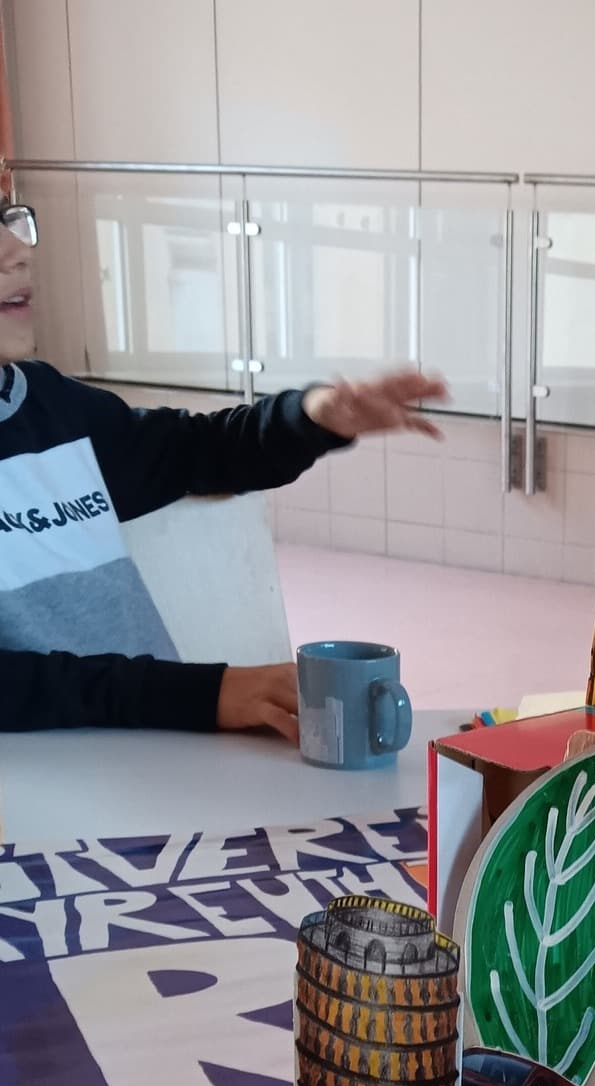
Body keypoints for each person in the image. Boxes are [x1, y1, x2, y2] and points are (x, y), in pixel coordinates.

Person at [0, 195, 449, 737]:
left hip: (151, 749)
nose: (17, 249)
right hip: (54, 774)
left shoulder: (49, 405)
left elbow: (198, 450)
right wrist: (204, 695)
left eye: (7, 217)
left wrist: (313, 416)